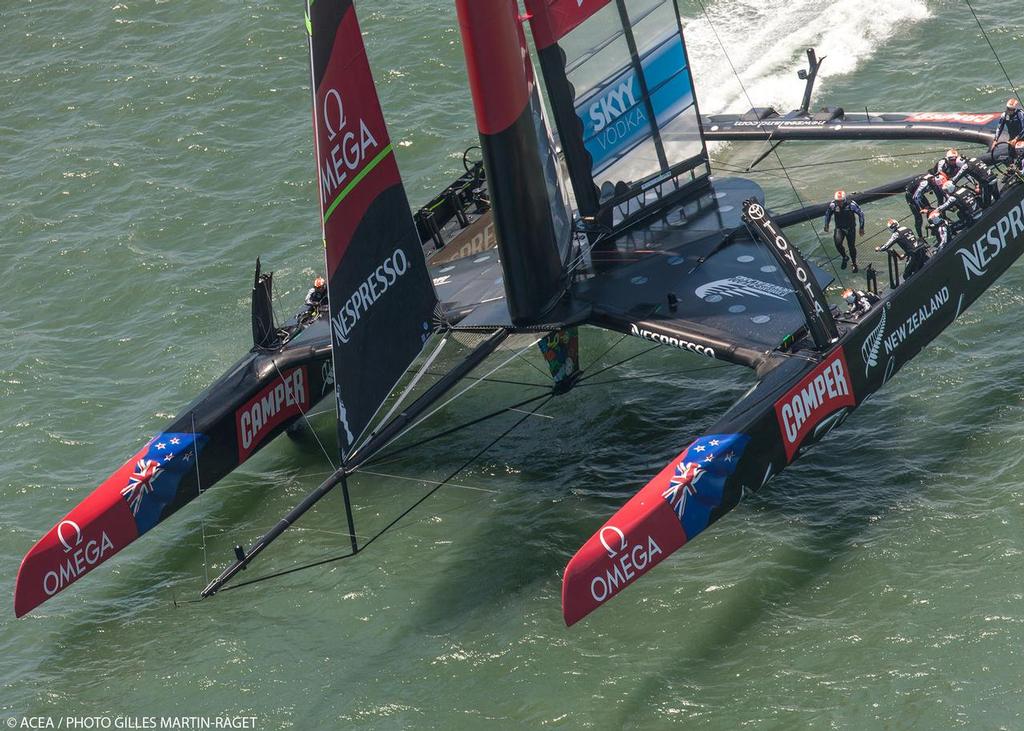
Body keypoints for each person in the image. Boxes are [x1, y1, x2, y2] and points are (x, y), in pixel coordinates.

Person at [823, 190, 865, 272]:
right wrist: (826, 224)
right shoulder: (833, 205)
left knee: (851, 247)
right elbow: (828, 214)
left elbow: (861, 214)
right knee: (838, 244)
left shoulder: (851, 204)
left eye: (840, 201)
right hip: (839, 228)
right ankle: (845, 257)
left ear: (844, 199)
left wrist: (861, 228)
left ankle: (854, 263)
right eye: (837, 201)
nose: (839, 203)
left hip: (850, 229)